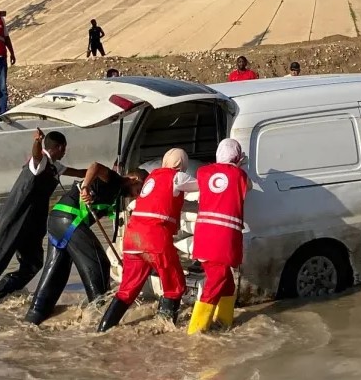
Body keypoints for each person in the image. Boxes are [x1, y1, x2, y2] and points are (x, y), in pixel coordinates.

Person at [0, 129, 85, 313]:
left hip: (32, 227)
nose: (65, 152)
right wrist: (37, 142)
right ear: (59, 147)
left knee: (33, 264)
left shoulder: (56, 167)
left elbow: (80, 172)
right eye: (64, 149)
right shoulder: (39, 162)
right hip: (15, 221)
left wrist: (104, 173)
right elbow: (36, 156)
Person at [24, 163, 146, 325]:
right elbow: (95, 166)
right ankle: (99, 316)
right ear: (134, 179)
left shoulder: (115, 195)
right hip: (69, 220)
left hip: (57, 220)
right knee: (99, 262)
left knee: (57, 271)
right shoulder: (114, 179)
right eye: (139, 189)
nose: (137, 195)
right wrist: (86, 187)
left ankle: (35, 316)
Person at [97, 148, 199, 332]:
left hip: (132, 238)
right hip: (154, 239)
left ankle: (102, 330)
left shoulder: (151, 178)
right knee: (175, 285)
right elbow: (204, 186)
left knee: (127, 290)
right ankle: (163, 331)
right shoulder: (177, 177)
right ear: (181, 164)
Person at [187, 139, 251, 335]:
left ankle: (224, 324)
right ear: (237, 157)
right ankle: (196, 331)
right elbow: (247, 187)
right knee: (218, 279)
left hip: (204, 235)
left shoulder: (203, 172)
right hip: (224, 237)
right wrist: (239, 166)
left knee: (227, 282)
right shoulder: (240, 175)